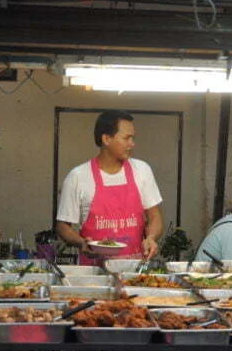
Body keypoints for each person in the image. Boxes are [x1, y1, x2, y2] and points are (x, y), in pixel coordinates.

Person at [56, 110, 164, 265]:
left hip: (133, 272)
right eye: (127, 138)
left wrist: (151, 238)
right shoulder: (78, 176)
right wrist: (81, 243)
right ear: (106, 139)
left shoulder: (142, 170)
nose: (132, 144)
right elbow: (62, 227)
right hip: (94, 274)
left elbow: (155, 217)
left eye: (133, 138)